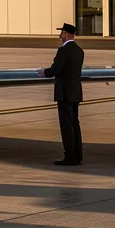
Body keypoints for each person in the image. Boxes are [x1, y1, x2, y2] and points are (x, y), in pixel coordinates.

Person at [39, 22, 85, 166]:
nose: (60, 36)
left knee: (66, 126)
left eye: (62, 33)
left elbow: (56, 70)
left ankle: (69, 157)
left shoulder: (63, 51)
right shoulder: (79, 50)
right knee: (75, 124)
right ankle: (78, 155)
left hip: (64, 93)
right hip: (75, 92)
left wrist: (43, 72)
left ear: (67, 34)